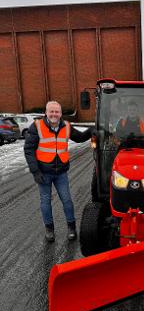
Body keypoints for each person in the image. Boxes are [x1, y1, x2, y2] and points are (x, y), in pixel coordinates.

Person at [24, 101, 94, 242]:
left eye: (57, 112)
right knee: (45, 202)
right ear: (46, 112)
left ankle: (71, 228)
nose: (54, 114)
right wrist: (35, 172)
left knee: (67, 200)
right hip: (43, 173)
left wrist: (92, 130)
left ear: (61, 113)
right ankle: (49, 230)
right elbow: (29, 150)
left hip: (61, 172)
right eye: (52, 111)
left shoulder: (66, 126)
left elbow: (79, 138)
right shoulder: (37, 126)